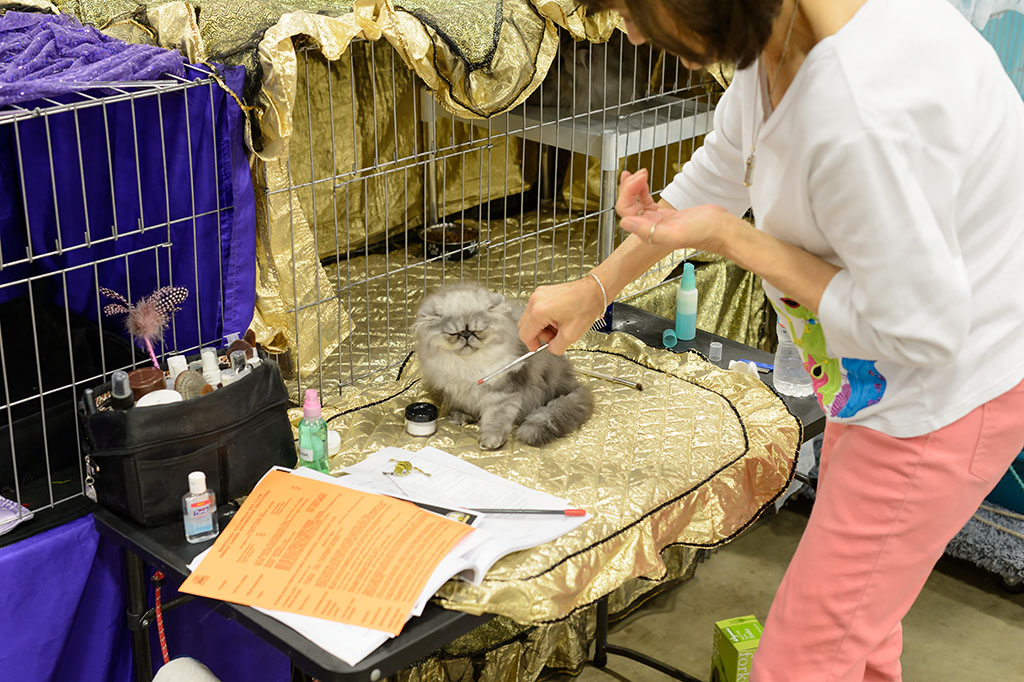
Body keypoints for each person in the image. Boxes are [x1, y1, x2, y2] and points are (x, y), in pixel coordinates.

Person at [516, 1, 1024, 680]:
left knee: (802, 661)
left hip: (940, 399)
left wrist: (738, 240)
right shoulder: (781, 39)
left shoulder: (863, 109)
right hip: (871, 380)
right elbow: (720, 174)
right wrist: (595, 289)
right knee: (860, 636)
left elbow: (921, 330)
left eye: (632, 8)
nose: (632, 35)